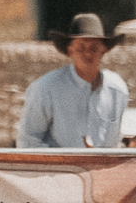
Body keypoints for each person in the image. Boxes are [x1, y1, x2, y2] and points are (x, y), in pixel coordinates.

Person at [17, 13, 129, 148]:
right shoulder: (46, 88)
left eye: (94, 47)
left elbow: (115, 142)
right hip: (60, 168)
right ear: (69, 50)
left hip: (104, 167)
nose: (88, 54)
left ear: (104, 50)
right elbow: (28, 141)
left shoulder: (117, 90)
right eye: (81, 47)